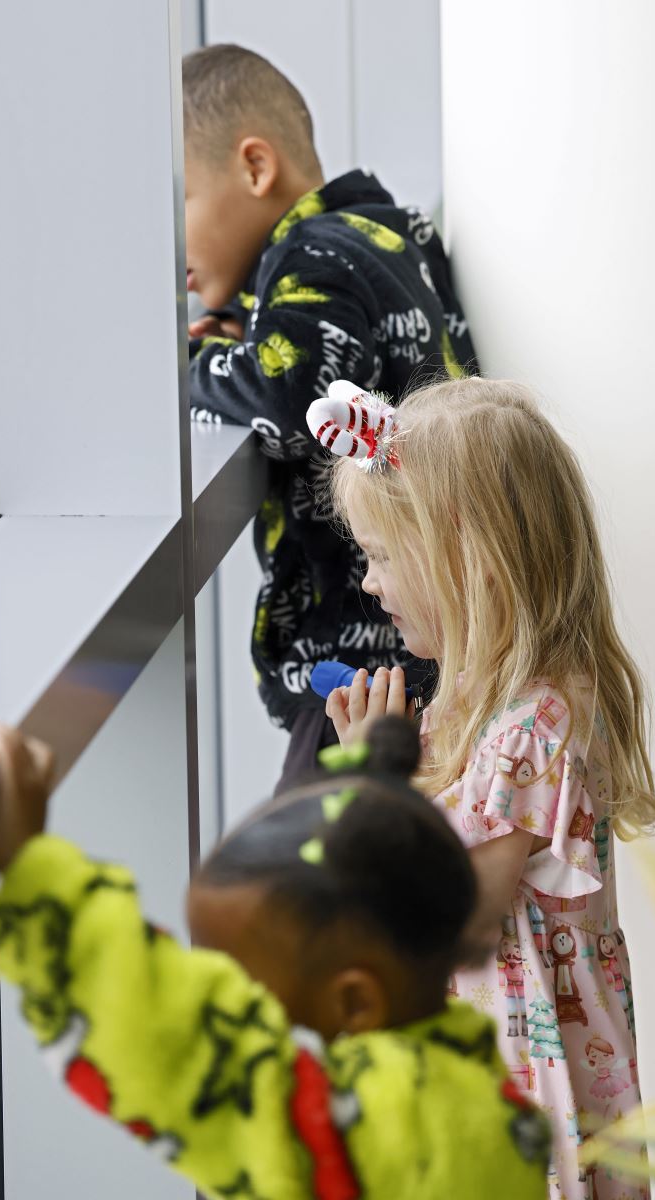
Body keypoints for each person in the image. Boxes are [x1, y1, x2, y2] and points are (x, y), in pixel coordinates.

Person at [315, 376, 655, 1200]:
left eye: (383, 556)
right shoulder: (484, 702)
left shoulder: (533, 729)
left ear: (466, 559)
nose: (369, 582)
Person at [0, 718, 549, 1200]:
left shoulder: (369, 1128)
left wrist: (37, 877)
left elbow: (177, 1048)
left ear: (354, 1000)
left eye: (243, 990)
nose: (226, 1000)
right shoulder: (479, 1097)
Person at [182, 44, 477, 788]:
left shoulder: (307, 256)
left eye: (172, 202)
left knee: (317, 883)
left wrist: (186, 370)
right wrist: (251, 330)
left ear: (255, 167)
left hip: (364, 683)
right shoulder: (391, 235)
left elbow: (292, 401)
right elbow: (333, 353)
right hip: (431, 652)